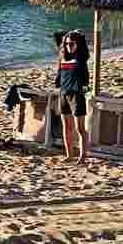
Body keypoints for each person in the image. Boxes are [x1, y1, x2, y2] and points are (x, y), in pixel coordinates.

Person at [52, 30, 91, 163]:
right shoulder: (63, 57)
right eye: (67, 44)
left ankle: (83, 156)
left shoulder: (81, 57)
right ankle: (69, 155)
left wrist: (76, 33)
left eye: (72, 44)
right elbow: (57, 35)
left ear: (78, 44)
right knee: (66, 126)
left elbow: (83, 44)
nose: (69, 46)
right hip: (64, 94)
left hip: (76, 95)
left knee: (80, 128)